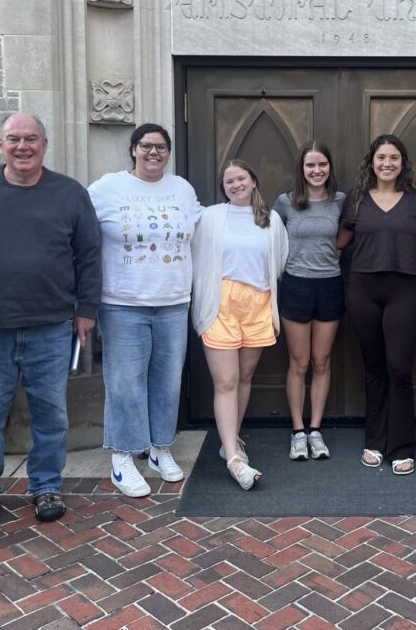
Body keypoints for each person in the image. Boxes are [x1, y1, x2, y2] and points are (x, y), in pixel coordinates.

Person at [0, 114, 102, 530]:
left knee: (51, 415)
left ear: (45, 144)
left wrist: (87, 309)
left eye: (31, 139)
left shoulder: (70, 193)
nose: (22, 146)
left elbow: (89, 254)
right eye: (13, 139)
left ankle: (45, 485)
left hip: (52, 325)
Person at [88, 124, 201, 497]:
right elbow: (78, 229)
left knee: (167, 380)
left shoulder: (182, 189)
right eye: (147, 146)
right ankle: (122, 456)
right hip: (123, 303)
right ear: (134, 149)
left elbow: (204, 231)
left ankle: (159, 448)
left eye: (162, 147)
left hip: (173, 301)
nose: (154, 152)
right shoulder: (108, 188)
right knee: (125, 382)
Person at [192, 159, 288, 490]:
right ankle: (234, 459)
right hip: (221, 303)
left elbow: (280, 260)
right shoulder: (210, 217)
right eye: (229, 181)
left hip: (258, 303)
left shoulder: (271, 219)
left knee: (244, 377)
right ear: (223, 188)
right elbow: (194, 253)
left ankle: (229, 440)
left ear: (253, 181)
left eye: (241, 178)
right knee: (226, 381)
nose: (235, 185)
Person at [339, 135, 416, 476]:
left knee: (399, 368)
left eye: (393, 157)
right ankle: (375, 440)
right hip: (364, 288)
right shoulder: (356, 199)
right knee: (374, 367)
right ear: (371, 162)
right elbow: (340, 241)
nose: (387, 163)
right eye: (381, 157)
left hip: (405, 289)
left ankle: (402, 446)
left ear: (402, 162)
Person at [273, 141, 346, 461]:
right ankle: (298, 431)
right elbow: (270, 236)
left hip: (330, 285)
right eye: (310, 165)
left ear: (330, 167)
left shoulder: (340, 201)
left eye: (322, 165)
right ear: (301, 169)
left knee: (321, 361)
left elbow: (350, 231)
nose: (317, 171)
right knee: (299, 362)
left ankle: (315, 430)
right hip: (296, 286)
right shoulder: (286, 202)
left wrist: (337, 248)